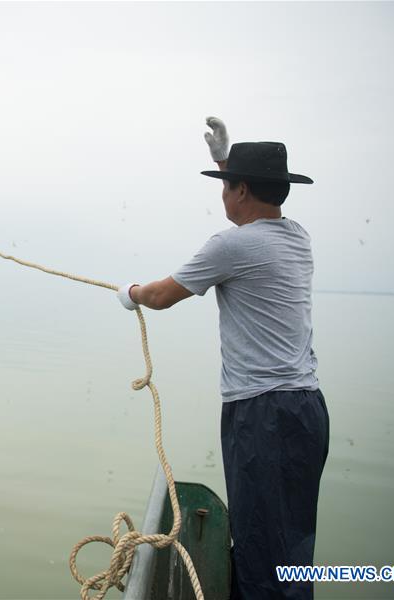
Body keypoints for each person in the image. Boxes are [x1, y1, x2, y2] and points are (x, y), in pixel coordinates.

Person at [117, 118, 329, 600]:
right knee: (292, 540)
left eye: (225, 186)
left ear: (242, 190)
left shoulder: (231, 245)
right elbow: (251, 208)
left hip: (262, 415)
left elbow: (164, 295)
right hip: (306, 409)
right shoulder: (297, 237)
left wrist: (129, 293)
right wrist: (224, 163)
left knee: (259, 543)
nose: (222, 196)